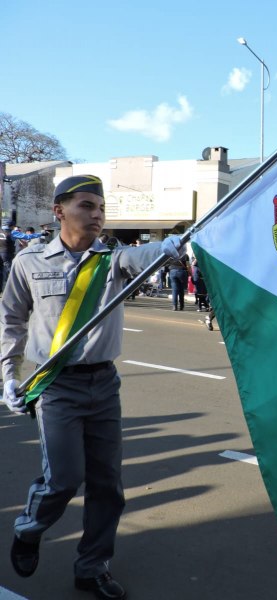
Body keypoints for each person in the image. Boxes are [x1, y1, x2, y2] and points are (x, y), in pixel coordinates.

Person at [1, 174, 185, 600]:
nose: (97, 215)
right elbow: (11, 320)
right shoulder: (30, 261)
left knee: (107, 484)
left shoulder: (112, 259)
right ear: (59, 210)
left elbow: (143, 256)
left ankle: (92, 566)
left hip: (104, 385)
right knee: (63, 478)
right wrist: (9, 376)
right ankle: (29, 529)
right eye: (86, 206)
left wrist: (169, 249)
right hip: (57, 386)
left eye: (101, 208)